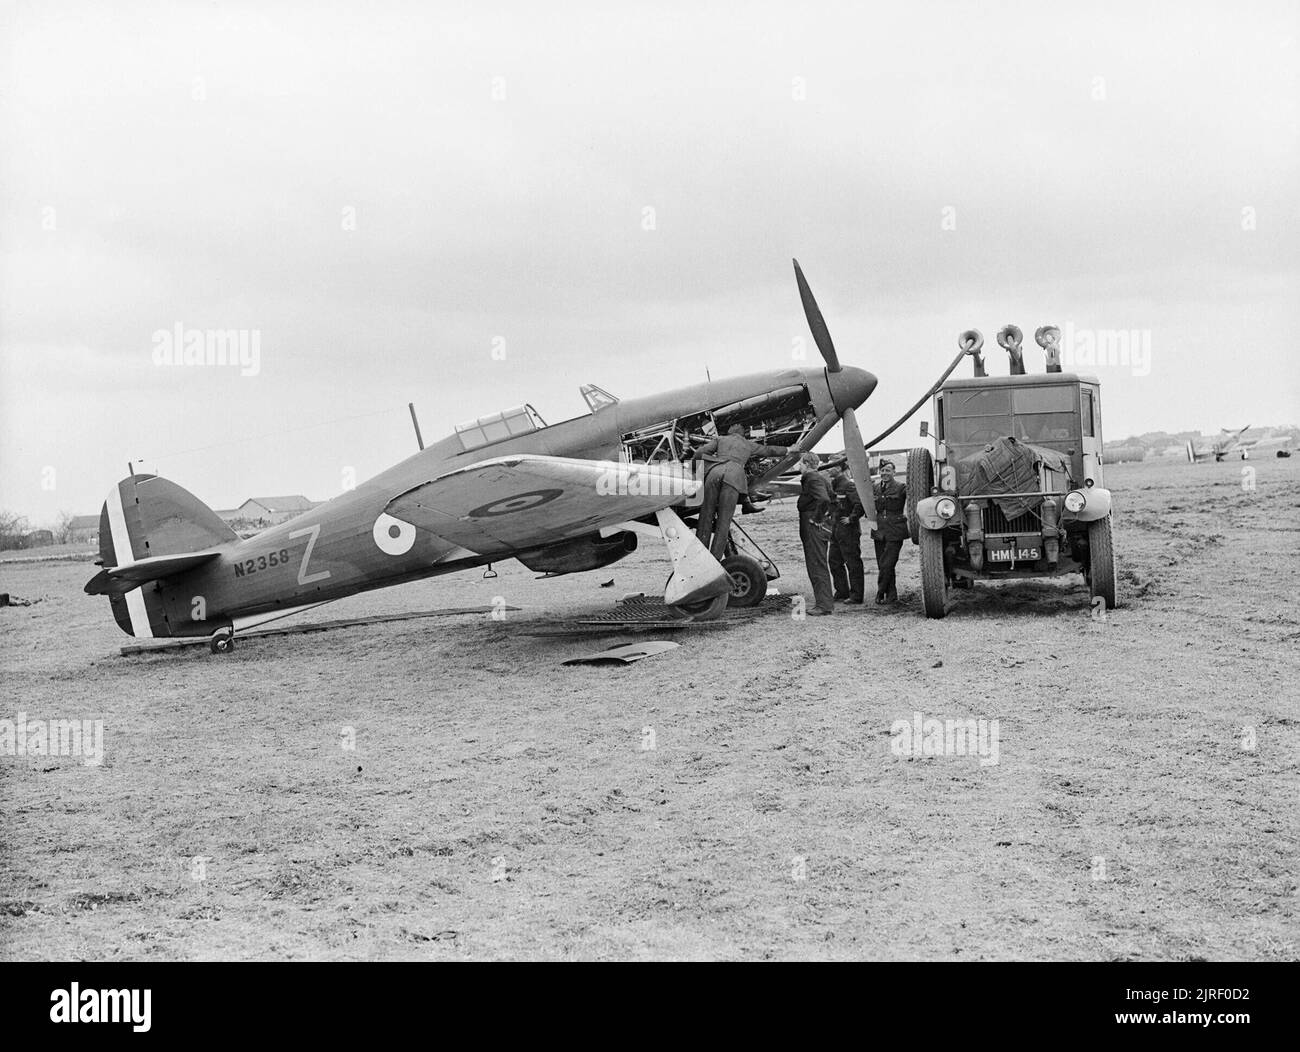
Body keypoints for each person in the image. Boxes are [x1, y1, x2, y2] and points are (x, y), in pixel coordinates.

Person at [687, 423, 785, 561]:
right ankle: (713, 561)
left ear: (730, 432)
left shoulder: (721, 439)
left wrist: (693, 468)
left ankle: (698, 556)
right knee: (723, 522)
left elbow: (699, 453)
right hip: (733, 477)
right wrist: (788, 449)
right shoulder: (748, 444)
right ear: (743, 433)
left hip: (714, 473)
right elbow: (769, 450)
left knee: (705, 516)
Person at [796, 452, 836, 615]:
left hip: (813, 528)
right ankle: (824, 602)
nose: (799, 467)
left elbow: (825, 500)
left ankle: (824, 606)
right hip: (819, 528)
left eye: (800, 463)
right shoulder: (820, 478)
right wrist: (827, 520)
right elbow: (833, 500)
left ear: (806, 464)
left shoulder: (812, 478)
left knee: (816, 565)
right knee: (818, 563)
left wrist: (817, 519)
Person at [826, 465, 865, 604]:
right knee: (834, 561)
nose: (828, 467)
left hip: (848, 531)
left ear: (839, 468)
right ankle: (842, 592)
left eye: (832, 464)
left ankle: (856, 596)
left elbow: (859, 504)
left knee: (853, 563)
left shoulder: (848, 485)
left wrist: (851, 518)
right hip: (836, 531)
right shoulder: (834, 485)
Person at [871, 459, 908, 604]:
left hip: (895, 530)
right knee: (883, 564)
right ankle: (892, 595)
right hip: (879, 530)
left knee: (888, 563)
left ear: (894, 472)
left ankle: (880, 592)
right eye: (882, 471)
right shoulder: (875, 488)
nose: (884, 473)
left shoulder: (901, 487)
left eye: (888, 470)